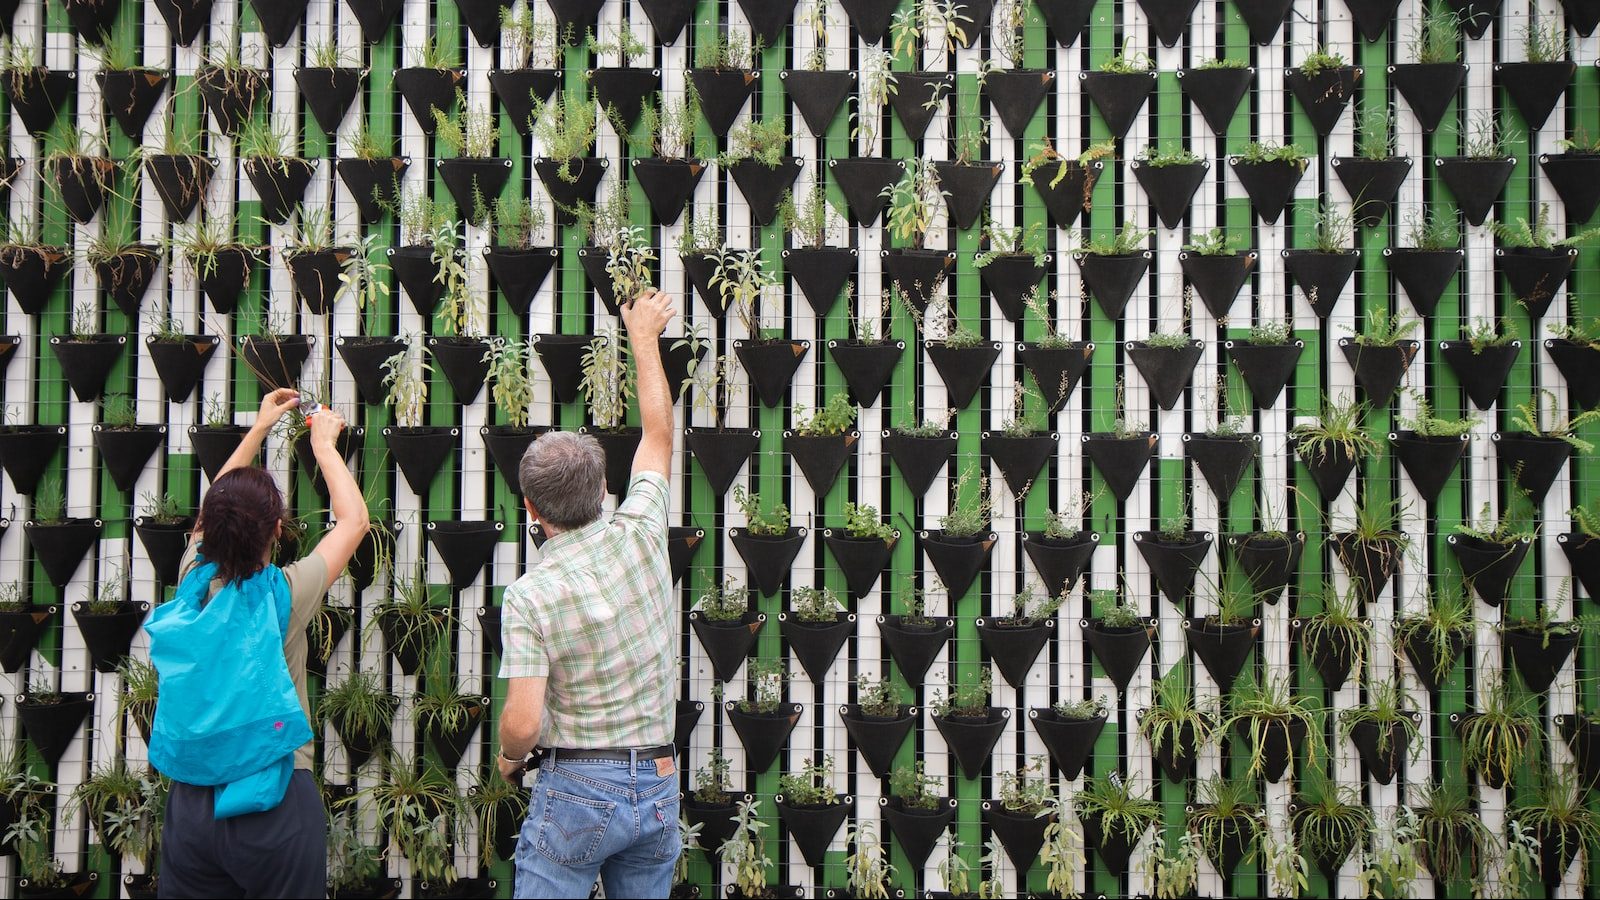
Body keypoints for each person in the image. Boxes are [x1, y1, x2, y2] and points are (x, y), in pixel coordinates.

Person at [497, 289, 681, 899]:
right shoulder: (643, 532)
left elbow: (523, 724)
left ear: (530, 506)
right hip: (657, 780)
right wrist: (643, 340)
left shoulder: (530, 595)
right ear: (605, 487)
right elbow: (658, 433)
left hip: (575, 788)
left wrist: (507, 760)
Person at [154, 389, 369, 899]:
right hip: (273, 797)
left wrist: (259, 428)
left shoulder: (192, 582)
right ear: (278, 528)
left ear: (207, 530)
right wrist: (324, 446)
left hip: (192, 802)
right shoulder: (284, 598)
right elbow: (354, 521)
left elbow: (214, 510)